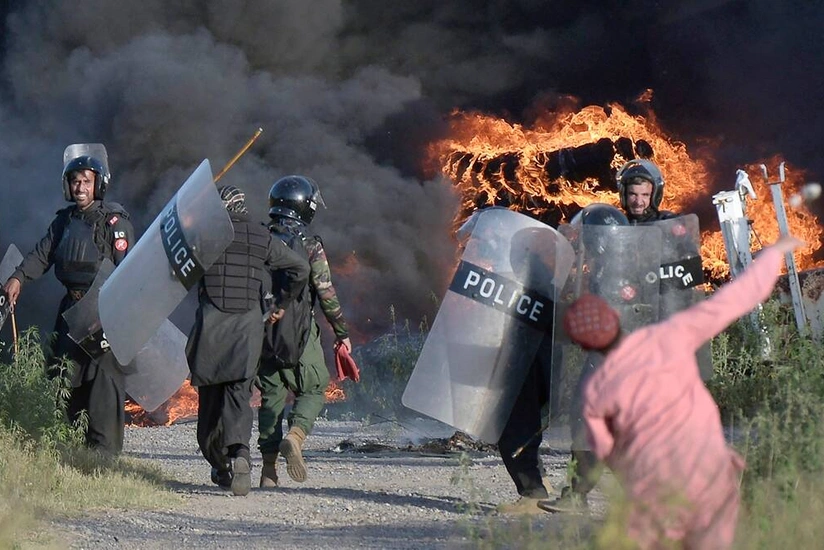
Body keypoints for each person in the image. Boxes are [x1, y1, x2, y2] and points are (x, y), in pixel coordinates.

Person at [548, 235, 803, 549]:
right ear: (615, 318)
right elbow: (735, 298)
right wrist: (772, 254)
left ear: (585, 345)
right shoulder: (670, 336)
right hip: (709, 479)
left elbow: (608, 453)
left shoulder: (596, 393)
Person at [2, 153, 134, 455]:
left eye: (86, 182)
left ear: (98, 185)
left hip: (104, 310)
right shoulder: (63, 221)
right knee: (62, 373)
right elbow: (41, 255)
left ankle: (104, 453)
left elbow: (128, 271)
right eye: (75, 182)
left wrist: (114, 315)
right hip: (71, 309)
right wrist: (19, 278)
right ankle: (70, 443)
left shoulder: (114, 222)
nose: (80, 187)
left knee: (103, 382)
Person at [186, 185, 310, 497]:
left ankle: (221, 465)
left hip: (211, 334)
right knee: (239, 397)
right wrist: (282, 302)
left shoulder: (203, 237)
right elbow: (300, 268)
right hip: (246, 333)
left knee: (209, 413)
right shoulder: (260, 236)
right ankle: (240, 455)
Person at [257, 175, 351, 488]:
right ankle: (296, 437)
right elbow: (325, 292)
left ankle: (268, 472)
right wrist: (341, 332)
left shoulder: (258, 238)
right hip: (299, 331)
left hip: (262, 329)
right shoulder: (310, 245)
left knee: (271, 397)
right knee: (315, 386)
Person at [615, 158, 678, 224]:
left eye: (645, 195)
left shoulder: (666, 221)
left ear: (655, 196)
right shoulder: (616, 223)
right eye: (632, 194)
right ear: (624, 195)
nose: (638, 202)